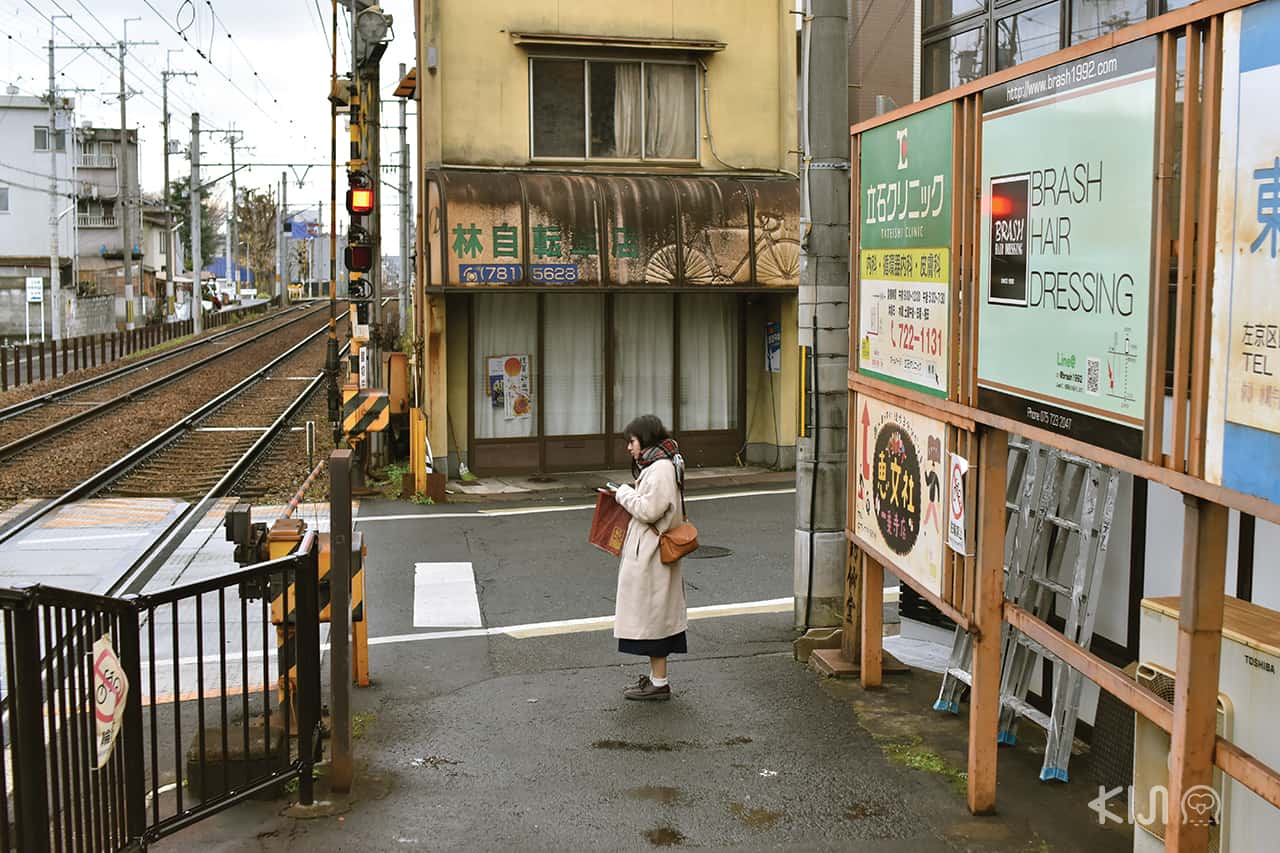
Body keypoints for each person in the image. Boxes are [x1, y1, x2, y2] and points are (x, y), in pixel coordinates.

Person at [610, 414, 688, 701]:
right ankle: (658, 680)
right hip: (652, 553)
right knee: (656, 620)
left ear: (645, 438)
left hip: (652, 555)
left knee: (655, 621)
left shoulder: (660, 469)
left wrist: (623, 493)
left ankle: (659, 683)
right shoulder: (663, 464)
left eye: (631, 441)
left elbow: (649, 510)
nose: (629, 448)